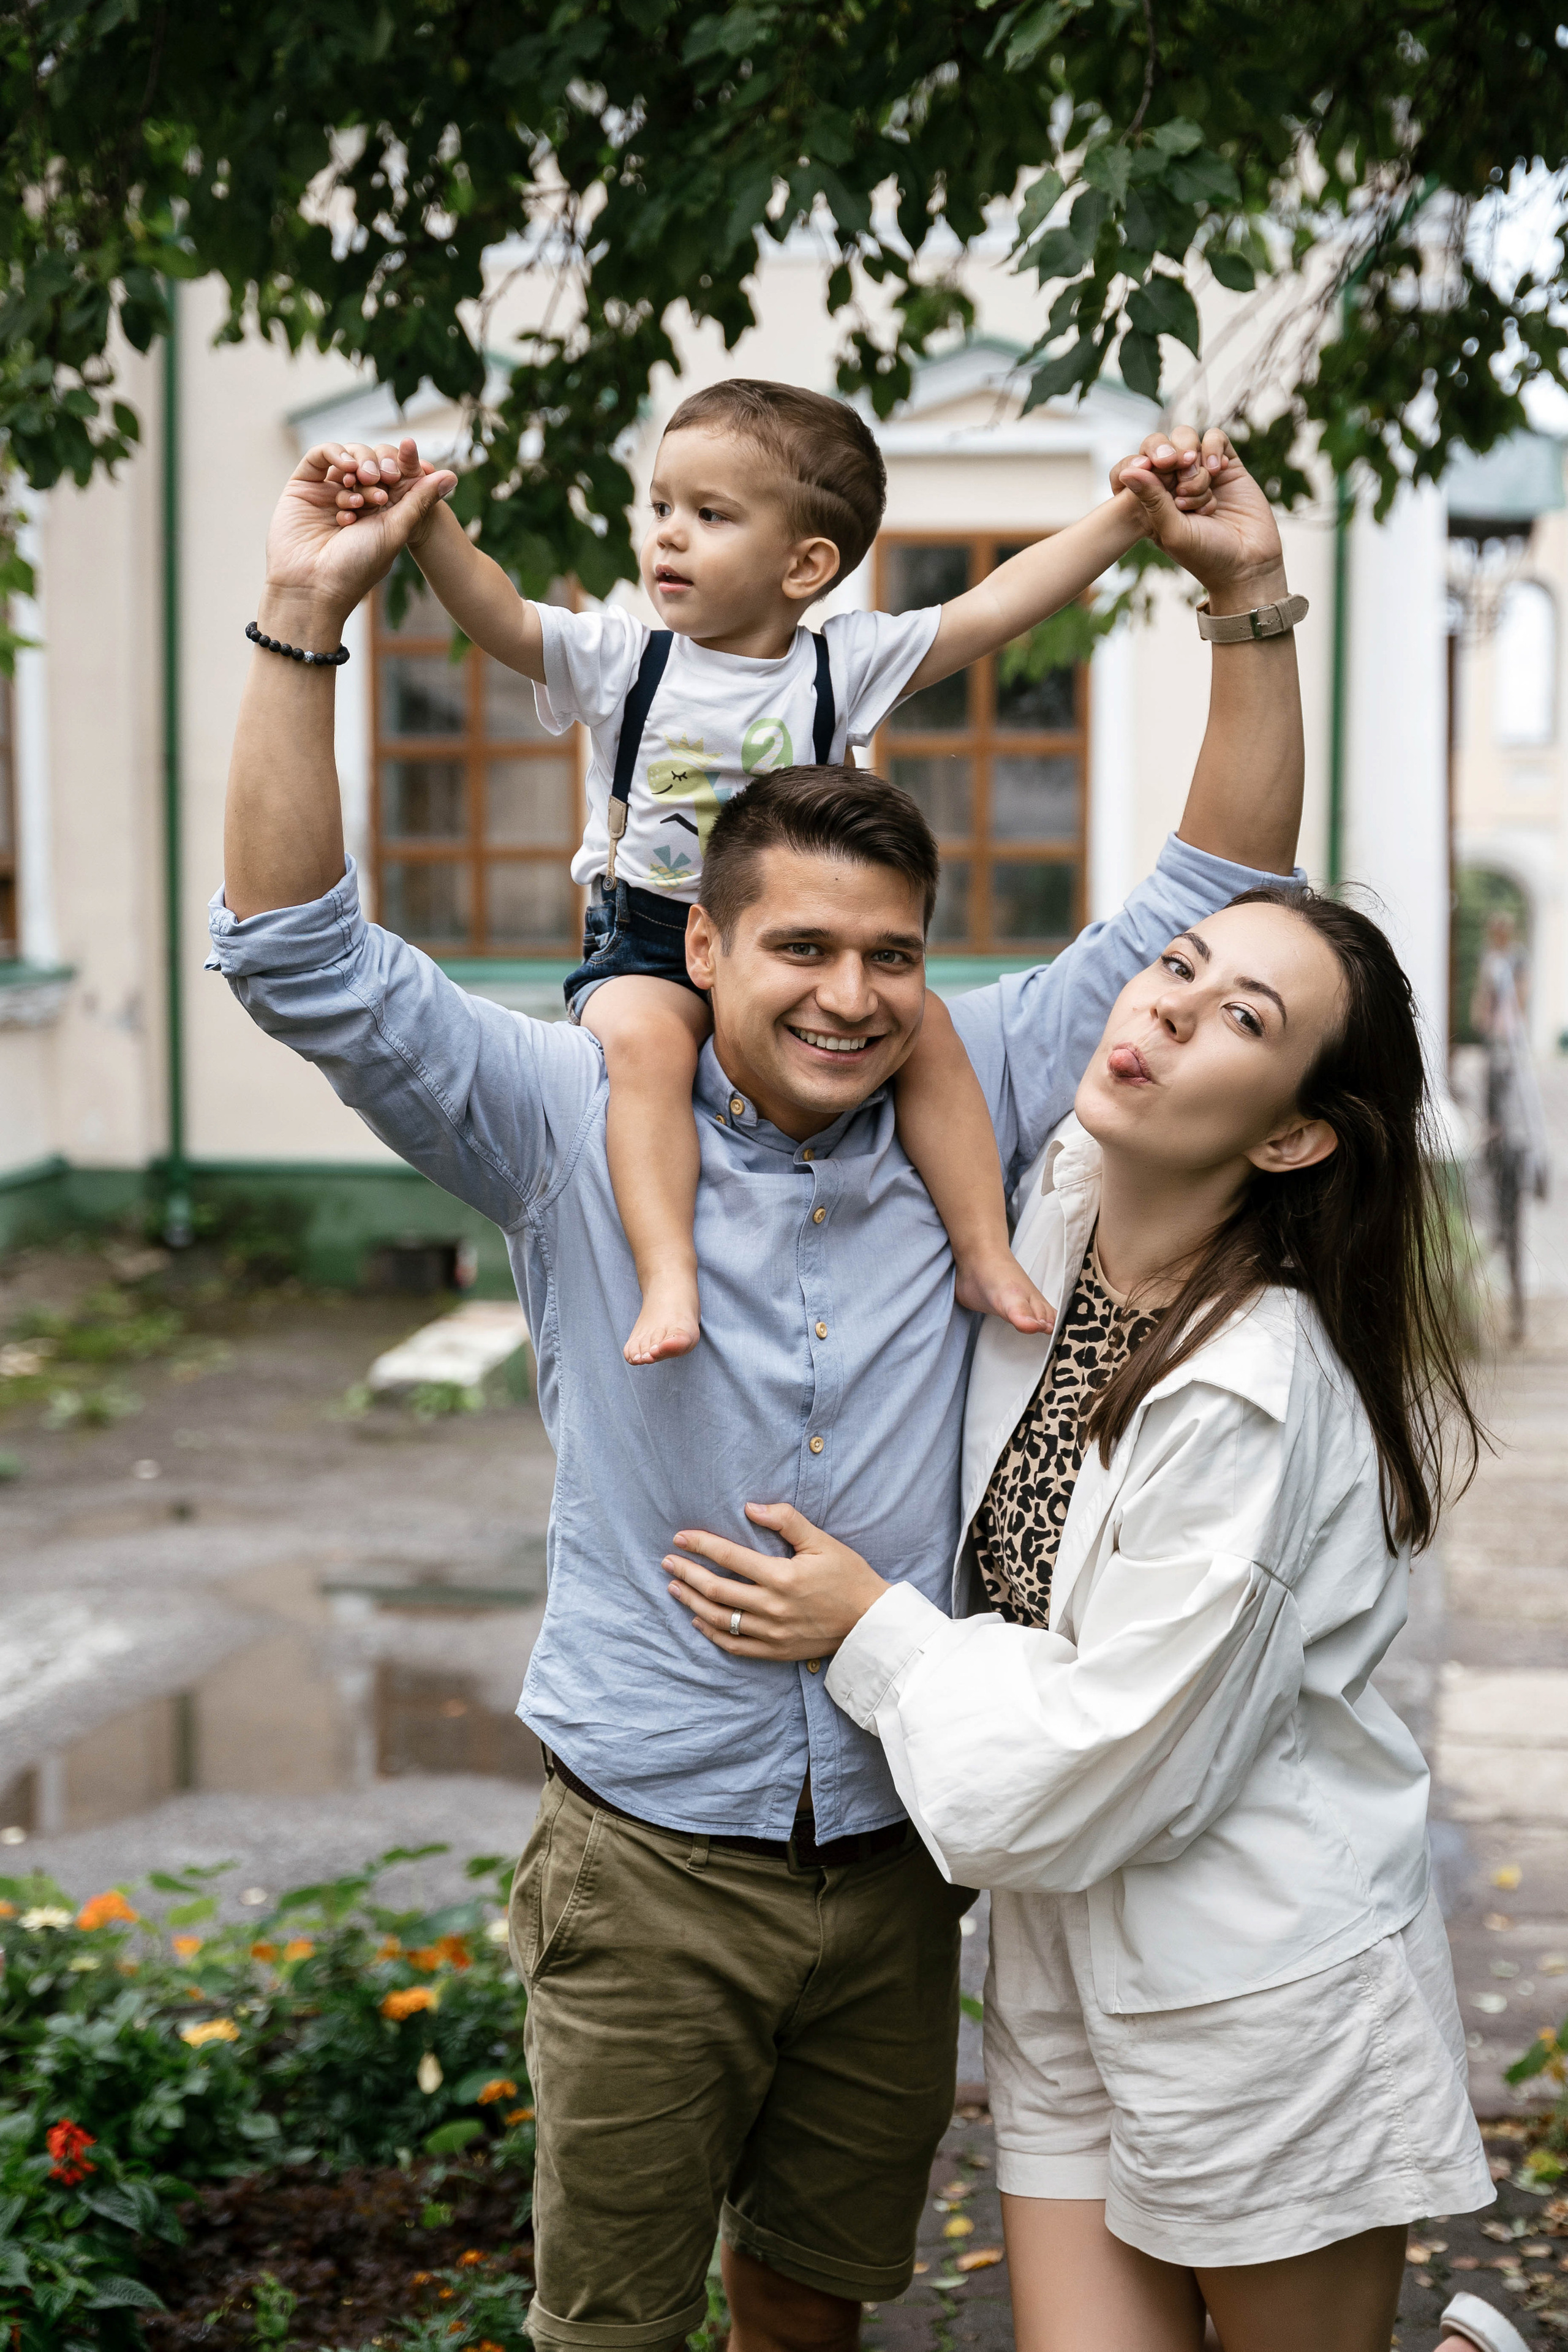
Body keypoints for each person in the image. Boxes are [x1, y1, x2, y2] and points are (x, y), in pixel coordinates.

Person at [213, 414, 1307, 2352]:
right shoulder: (569, 1115)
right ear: (695, 943)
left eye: (891, 953)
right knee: (613, 2319)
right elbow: (303, 958)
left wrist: (1242, 601)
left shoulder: (973, 1091)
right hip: (647, 1854)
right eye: (797, 944)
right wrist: (306, 619)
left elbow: (1209, 881)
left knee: (816, 2297)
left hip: (896, 1862)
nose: (849, 993)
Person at [663, 888, 1500, 2352]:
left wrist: (870, 1629)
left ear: (1292, 1134)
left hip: (1257, 1999)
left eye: (1240, 1015)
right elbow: (896, 1012)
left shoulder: (1253, 1391)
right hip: (1061, 1975)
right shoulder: (1056, 1208)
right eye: (1175, 967)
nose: (1167, 1006)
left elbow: (1101, 1756)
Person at [328, 382, 1215, 1365]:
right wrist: (426, 526)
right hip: (655, 939)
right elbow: (500, 617)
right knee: (646, 1059)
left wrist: (1128, 515)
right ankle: (668, 1272)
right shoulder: (627, 661)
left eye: (710, 516)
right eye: (661, 507)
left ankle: (981, 1248)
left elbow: (997, 604)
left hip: (800, 944)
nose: (668, 536)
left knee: (932, 1046)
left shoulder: (843, 666)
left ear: (807, 564)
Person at [1471, 907, 1548, 1341]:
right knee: (1501, 1228)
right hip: (1503, 1139)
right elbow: (1483, 1010)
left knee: (1510, 1228)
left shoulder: (1515, 961)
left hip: (1513, 1149)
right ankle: (1509, 1312)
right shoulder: (1491, 962)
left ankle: (1516, 1315)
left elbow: (1511, 1002)